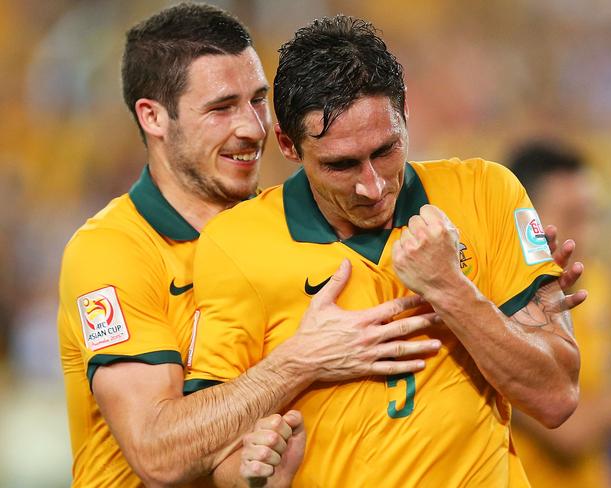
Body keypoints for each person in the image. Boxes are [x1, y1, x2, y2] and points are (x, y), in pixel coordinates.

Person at [56, 5, 445, 487]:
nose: (253, 128)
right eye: (221, 108)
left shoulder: (289, 226)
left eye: (258, 100)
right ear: (153, 117)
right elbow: (157, 455)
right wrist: (300, 360)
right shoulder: (113, 251)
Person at [185, 15, 582, 487]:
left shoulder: (487, 191)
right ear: (289, 146)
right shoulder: (235, 244)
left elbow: (556, 396)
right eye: (341, 164)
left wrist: (451, 290)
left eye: (386, 150)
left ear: (405, 112)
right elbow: (211, 450)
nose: (372, 186)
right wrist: (255, 473)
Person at [508, 140, 611, 488]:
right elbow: (570, 431)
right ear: (525, 218)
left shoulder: (596, 283)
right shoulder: (500, 309)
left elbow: (605, 386)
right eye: (572, 216)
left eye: (593, 216)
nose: (587, 233)